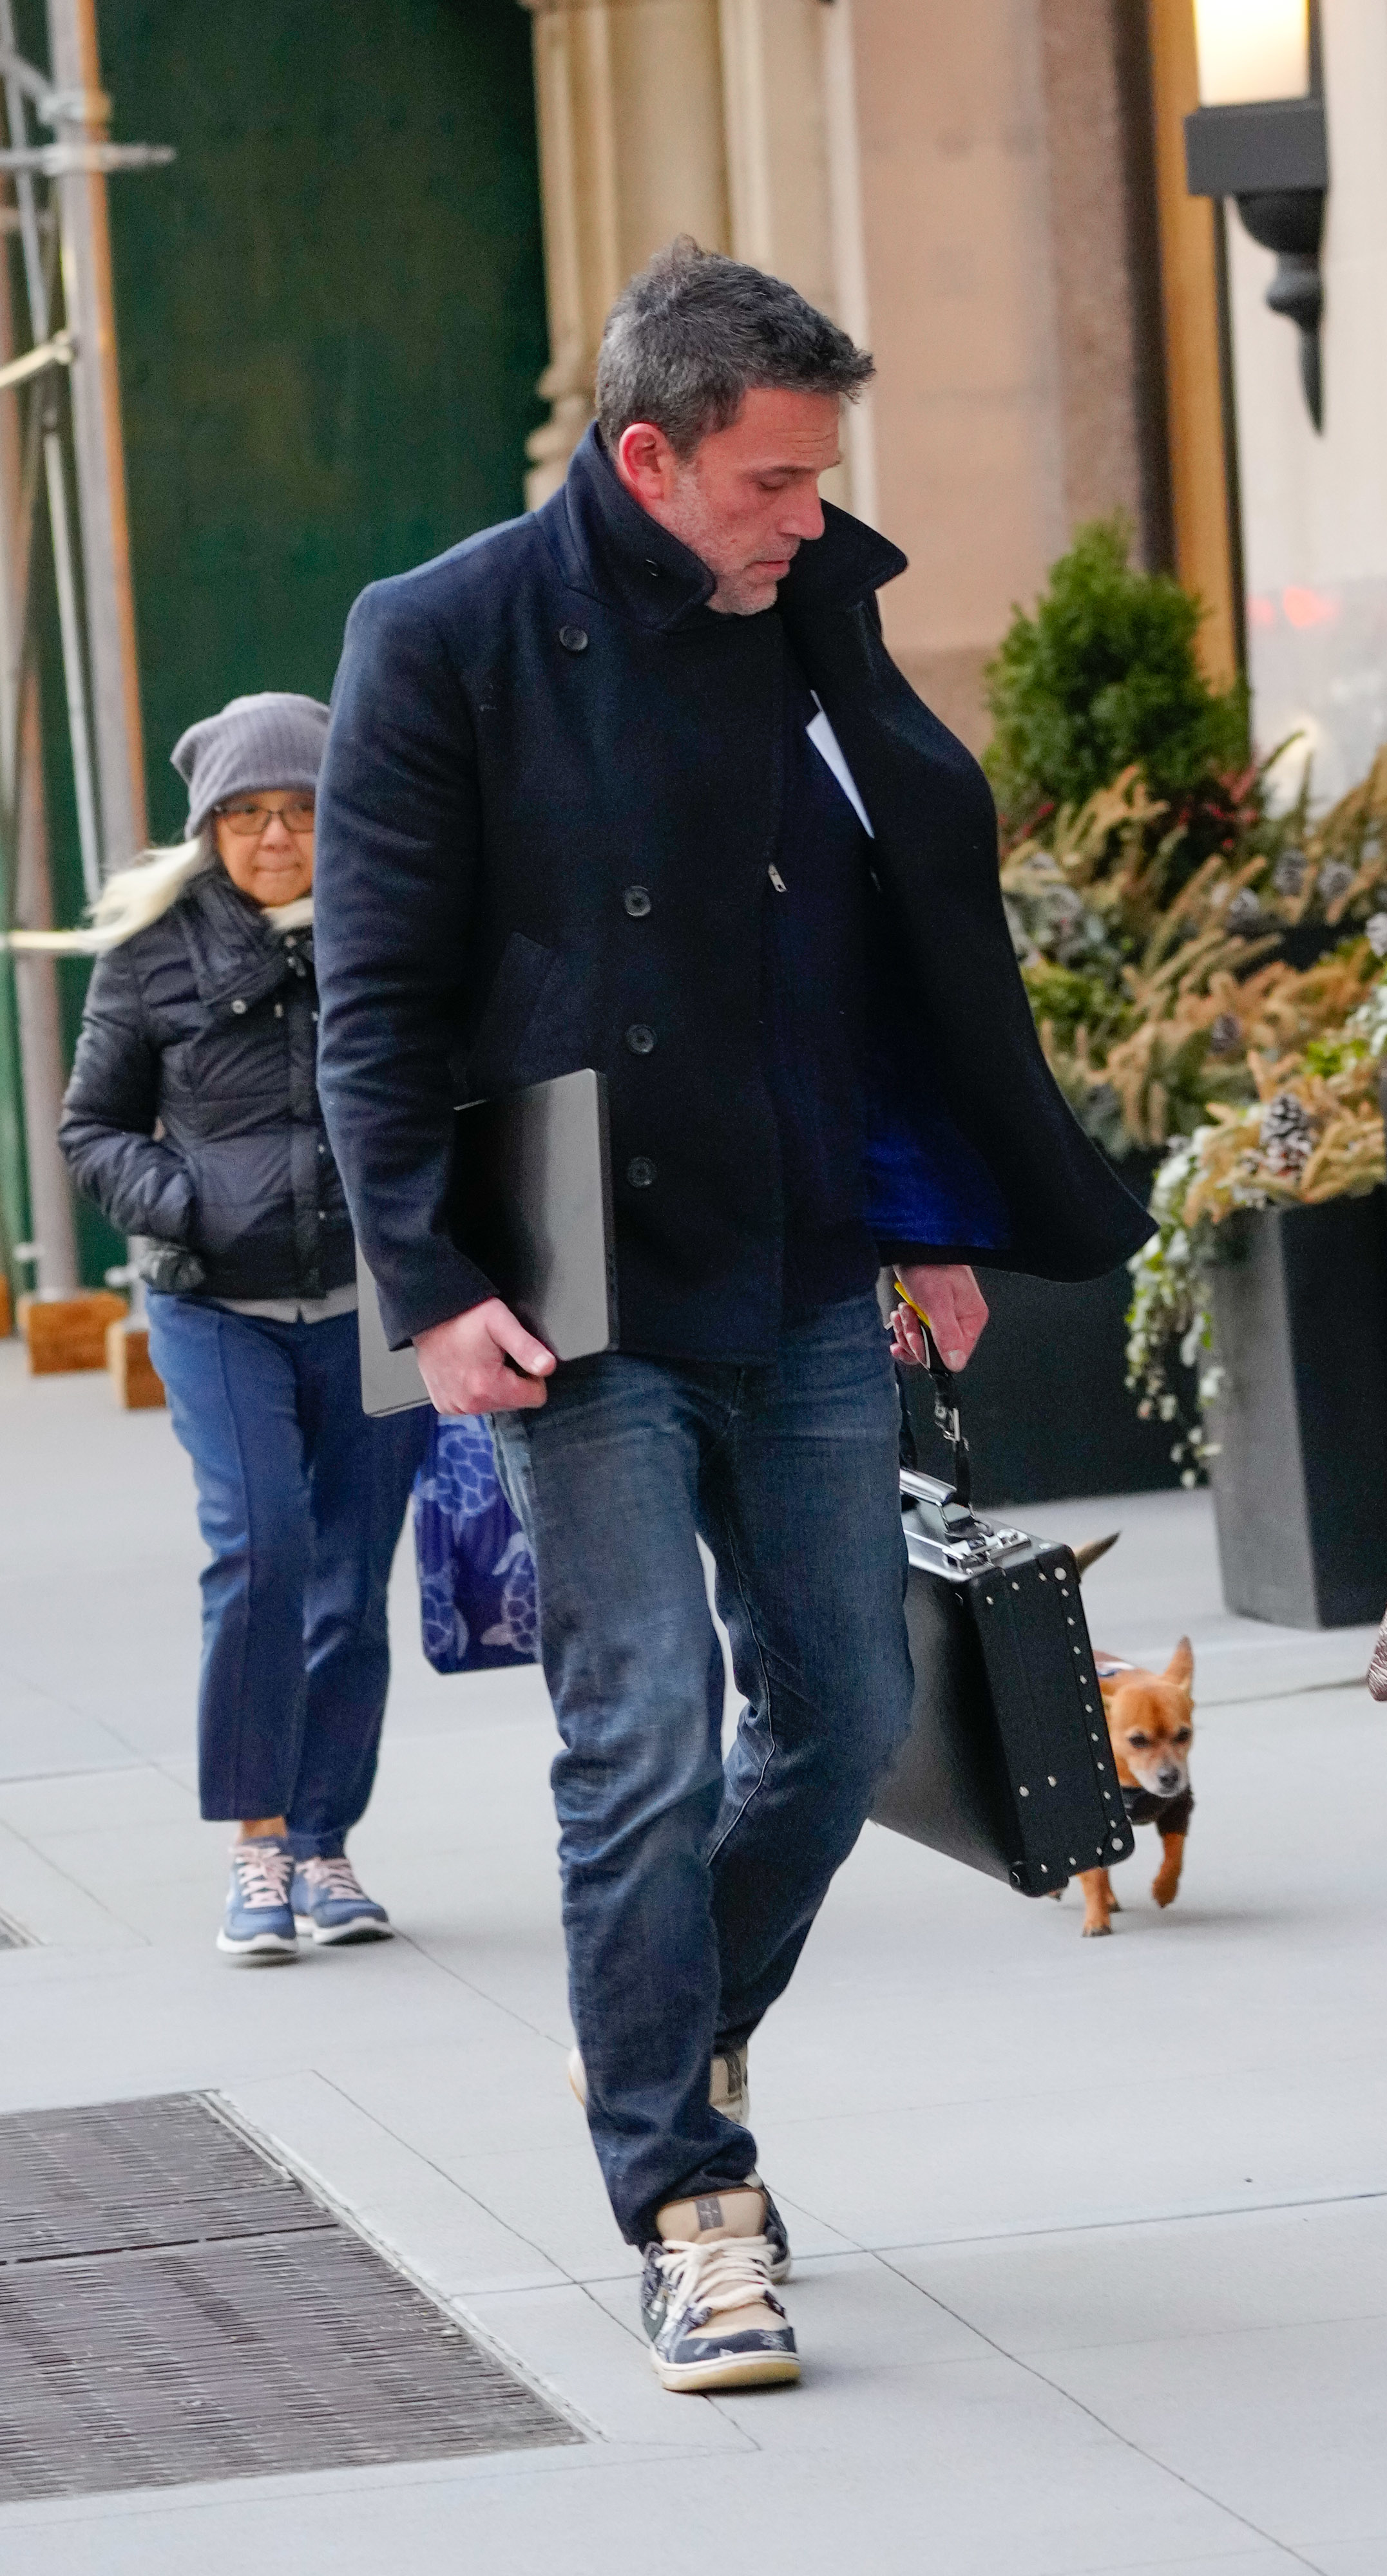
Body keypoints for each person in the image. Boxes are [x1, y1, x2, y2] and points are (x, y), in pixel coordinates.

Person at [314, 241, 1149, 2391]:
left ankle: (683, 2008)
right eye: (773, 483)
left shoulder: (803, 622)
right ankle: (690, 2200)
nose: (809, 517)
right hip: (570, 1268)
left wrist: (928, 1197)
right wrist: (429, 1285)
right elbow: (376, 1005)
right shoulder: (445, 640)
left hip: (797, 1254)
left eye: (819, 481)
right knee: (639, 1735)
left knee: (849, 1708)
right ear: (649, 456)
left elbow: (866, 948)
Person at [57, 694, 430, 1963]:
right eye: (246, 812)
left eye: (302, 807)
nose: (275, 835)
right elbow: (89, 1127)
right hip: (216, 1304)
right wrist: (189, 1202)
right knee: (263, 1554)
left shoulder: (395, 932)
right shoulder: (151, 957)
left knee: (352, 1587)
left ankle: (326, 1842)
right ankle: (257, 1842)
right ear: (208, 824)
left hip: (379, 1310)